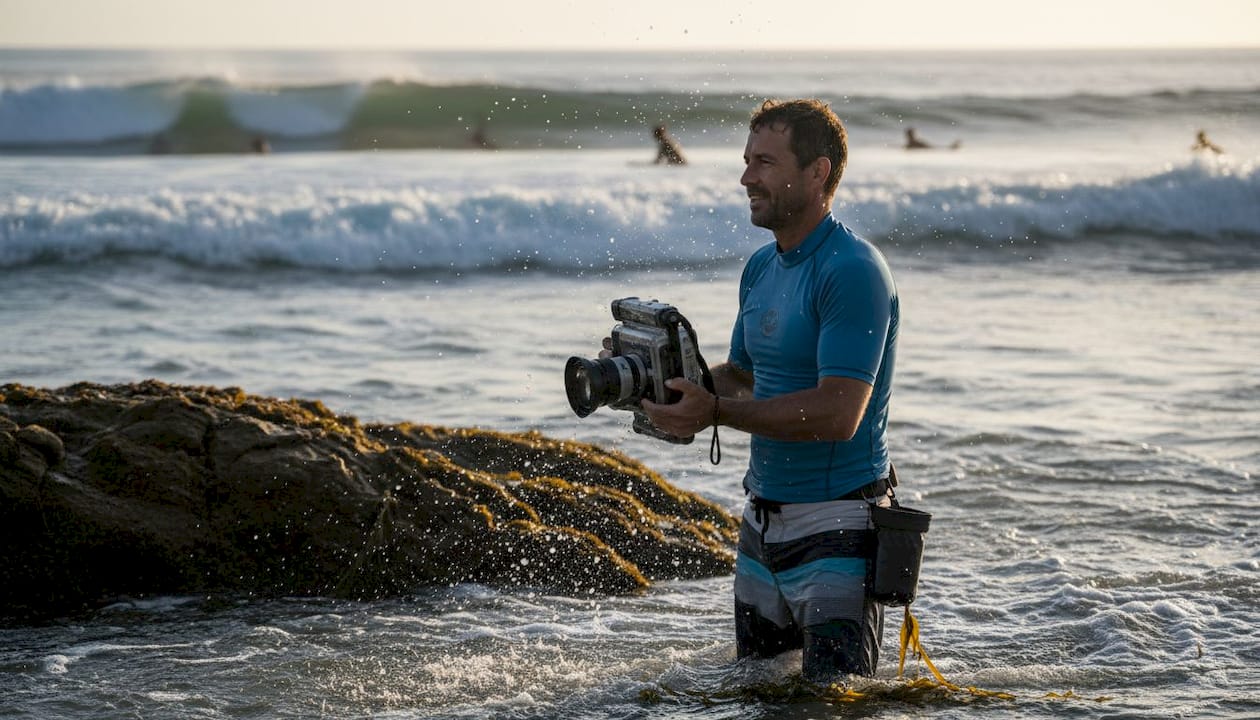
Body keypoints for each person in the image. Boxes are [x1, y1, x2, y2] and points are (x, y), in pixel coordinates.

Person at [640, 99, 900, 681]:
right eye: (745, 160)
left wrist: (718, 414)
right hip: (761, 527)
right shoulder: (762, 266)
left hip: (838, 526)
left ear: (818, 172)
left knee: (833, 704)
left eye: (764, 162)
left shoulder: (852, 269)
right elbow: (742, 374)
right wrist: (659, 383)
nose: (746, 177)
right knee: (758, 697)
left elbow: (840, 414)